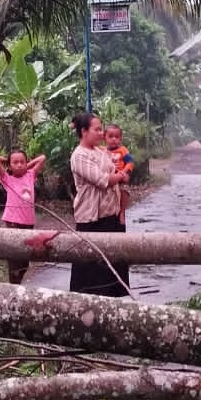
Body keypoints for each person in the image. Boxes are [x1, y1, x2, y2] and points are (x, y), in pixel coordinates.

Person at [68, 111, 130, 296]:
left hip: (111, 215)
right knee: (91, 271)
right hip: (91, 218)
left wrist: (118, 176)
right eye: (97, 129)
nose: (101, 133)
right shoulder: (79, 156)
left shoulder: (100, 151)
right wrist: (119, 176)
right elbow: (102, 180)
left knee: (112, 266)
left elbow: (116, 172)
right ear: (84, 131)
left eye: (101, 129)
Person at [0, 149, 46, 285]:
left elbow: (42, 158)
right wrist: (8, 162)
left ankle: (18, 282)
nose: (19, 165)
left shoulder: (30, 176)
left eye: (22, 162)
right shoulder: (7, 179)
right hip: (13, 222)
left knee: (25, 258)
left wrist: (25, 166)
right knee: (14, 257)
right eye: (15, 163)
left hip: (28, 222)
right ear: (10, 165)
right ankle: (14, 285)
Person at [104, 124, 135, 226]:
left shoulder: (123, 150)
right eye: (110, 136)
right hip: (108, 177)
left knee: (124, 190)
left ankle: (122, 212)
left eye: (117, 137)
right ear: (105, 138)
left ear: (120, 138)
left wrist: (124, 172)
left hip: (121, 176)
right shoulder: (102, 150)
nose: (114, 139)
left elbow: (130, 162)